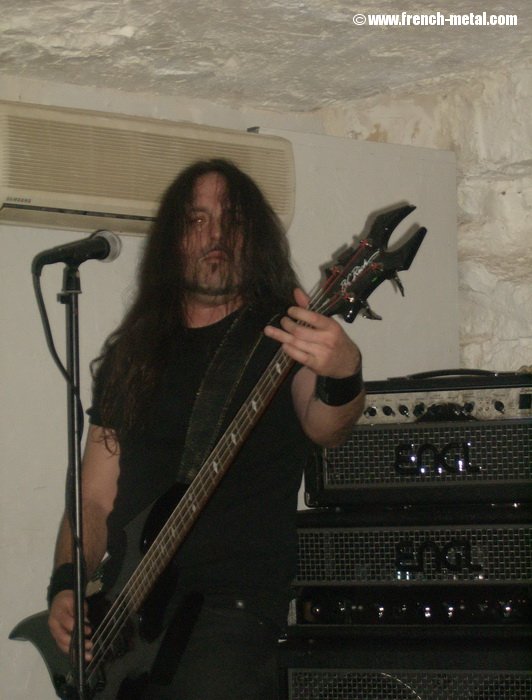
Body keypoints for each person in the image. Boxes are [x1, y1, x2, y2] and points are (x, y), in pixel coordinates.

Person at [47, 158, 365, 699]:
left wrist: (344, 370)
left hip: (230, 611)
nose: (215, 235)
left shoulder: (283, 336)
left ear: (254, 238)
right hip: (125, 616)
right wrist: (66, 584)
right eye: (197, 221)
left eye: (231, 221)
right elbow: (94, 498)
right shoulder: (133, 355)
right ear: (173, 242)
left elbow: (326, 427)